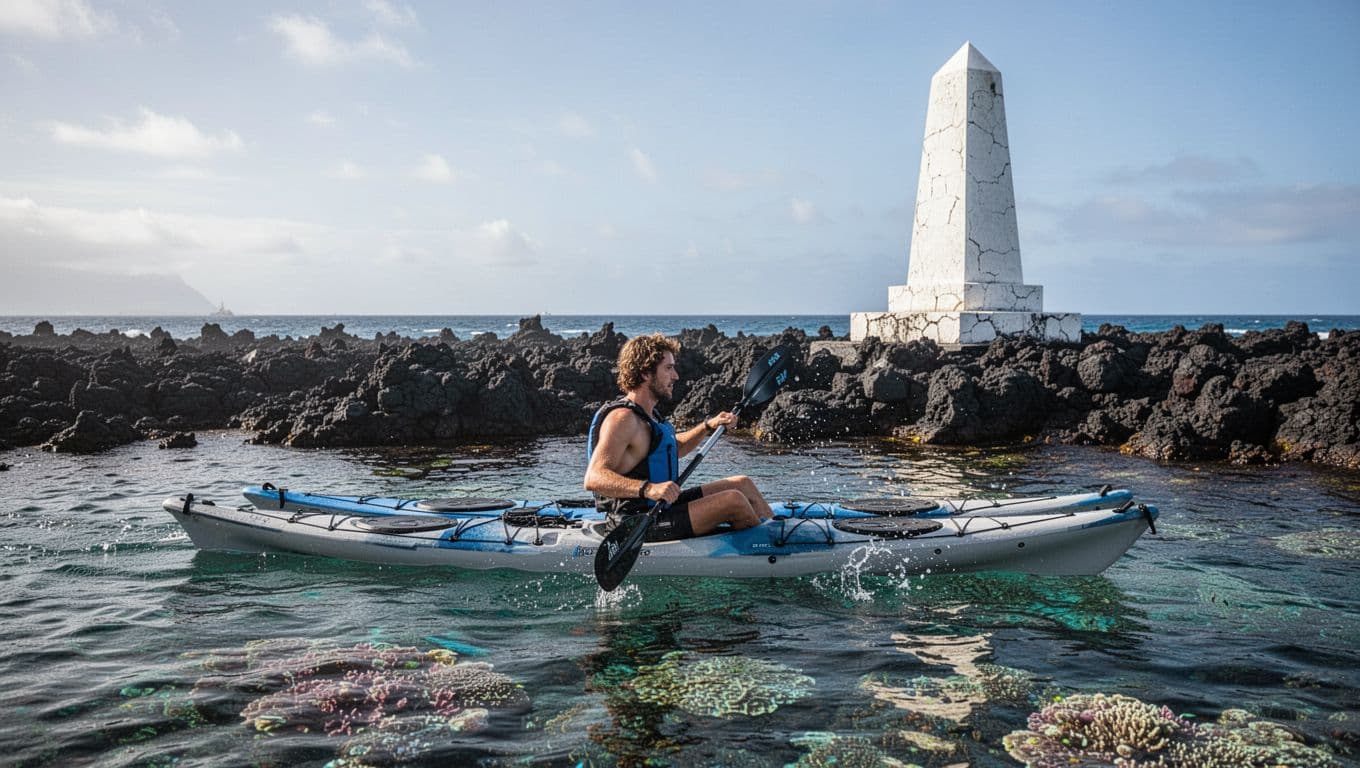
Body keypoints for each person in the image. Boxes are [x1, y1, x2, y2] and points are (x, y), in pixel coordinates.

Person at [584, 333, 773, 541]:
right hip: (635, 523)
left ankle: (777, 534)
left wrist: (707, 426)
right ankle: (771, 551)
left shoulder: (650, 414)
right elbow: (594, 477)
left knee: (741, 484)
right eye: (668, 368)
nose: (675, 376)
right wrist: (648, 489)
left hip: (662, 507)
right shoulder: (622, 419)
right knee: (733, 500)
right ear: (646, 373)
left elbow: (674, 447)